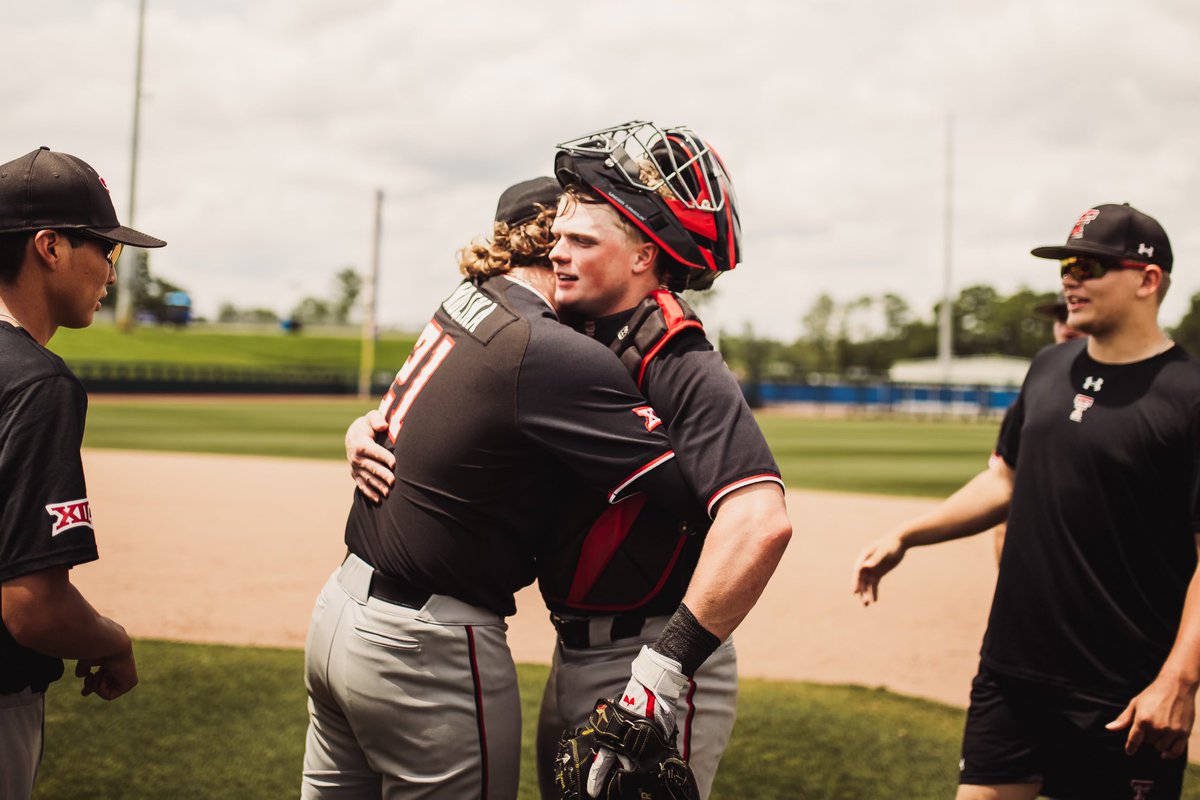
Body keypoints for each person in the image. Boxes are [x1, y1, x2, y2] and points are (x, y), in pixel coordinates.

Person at [346, 122, 792, 800]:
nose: (559, 254)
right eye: (558, 238)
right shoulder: (566, 329)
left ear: (644, 256)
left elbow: (760, 522)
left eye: (582, 242)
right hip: (576, 647)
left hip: (648, 656)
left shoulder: (680, 355)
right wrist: (373, 427)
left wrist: (663, 676)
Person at [853, 202, 1199, 799]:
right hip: (1012, 672)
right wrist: (910, 533)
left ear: (1148, 280)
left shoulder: (1189, 396)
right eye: (1066, 264)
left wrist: (1180, 680)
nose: (1071, 277)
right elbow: (1006, 481)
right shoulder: (1048, 367)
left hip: (1120, 689)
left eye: (1090, 266)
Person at [0, 147, 166, 799]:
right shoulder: (37, 383)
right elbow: (32, 607)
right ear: (50, 247)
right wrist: (112, 641)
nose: (110, 272)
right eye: (107, 250)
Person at [989, 292, 1085, 563]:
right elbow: (1003, 498)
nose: (1067, 325)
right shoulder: (1031, 397)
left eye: (1072, 314)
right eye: (1060, 318)